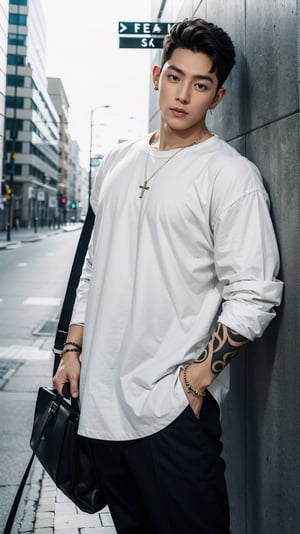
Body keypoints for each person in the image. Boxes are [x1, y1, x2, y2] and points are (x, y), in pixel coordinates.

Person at [53, 18, 283, 533]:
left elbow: (255, 296)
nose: (182, 95)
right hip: (101, 409)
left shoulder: (230, 176)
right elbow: (93, 266)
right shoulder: (115, 163)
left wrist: (196, 379)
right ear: (158, 74)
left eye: (200, 85)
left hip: (171, 415)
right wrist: (73, 351)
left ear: (217, 96)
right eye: (175, 77)